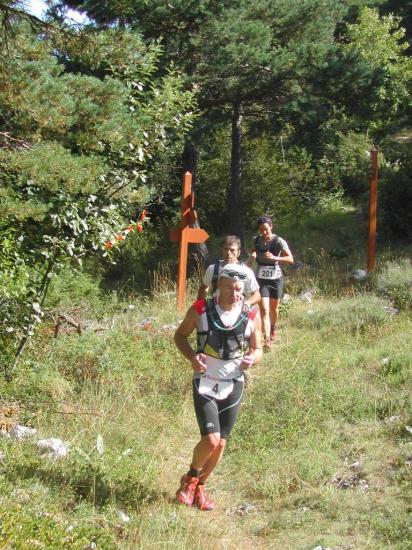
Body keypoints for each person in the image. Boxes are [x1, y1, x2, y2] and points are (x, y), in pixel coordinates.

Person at [174, 266, 263, 511]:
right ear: (219, 286)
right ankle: (190, 479)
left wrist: (252, 359)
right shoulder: (201, 309)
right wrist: (192, 357)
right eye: (230, 288)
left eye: (239, 290)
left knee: (221, 443)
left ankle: (200, 487)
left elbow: (259, 349)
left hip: (234, 383)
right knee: (211, 439)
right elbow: (179, 336)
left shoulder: (250, 313)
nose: (235, 294)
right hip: (205, 381)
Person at [247, 215, 293, 348]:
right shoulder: (256, 240)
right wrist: (252, 258)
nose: (264, 232)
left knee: (274, 308)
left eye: (266, 229)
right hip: (261, 279)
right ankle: (266, 339)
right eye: (261, 230)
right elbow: (254, 252)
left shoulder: (279, 241)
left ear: (271, 227)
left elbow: (290, 259)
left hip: (276, 278)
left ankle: (273, 327)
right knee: (264, 310)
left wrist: (274, 257)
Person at [197, 235, 260, 307]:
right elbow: (204, 287)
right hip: (216, 312)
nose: (228, 253)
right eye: (225, 249)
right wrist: (199, 306)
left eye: (232, 250)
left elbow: (257, 295)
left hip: (238, 312)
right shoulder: (213, 269)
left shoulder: (246, 271)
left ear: (238, 252)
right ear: (222, 250)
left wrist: (246, 304)